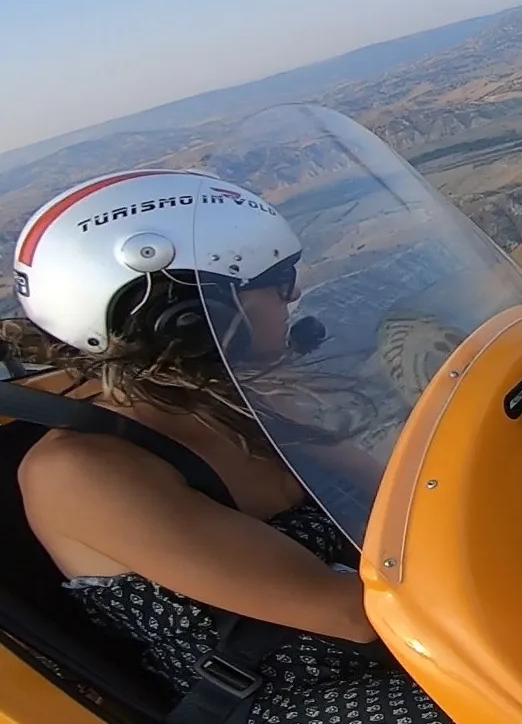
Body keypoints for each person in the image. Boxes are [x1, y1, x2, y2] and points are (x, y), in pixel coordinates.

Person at [9, 169, 452, 724]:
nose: (293, 296)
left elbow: (404, 505)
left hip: (405, 645)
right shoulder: (81, 473)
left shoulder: (235, 403)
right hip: (306, 696)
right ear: (188, 312)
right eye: (278, 279)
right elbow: (348, 613)